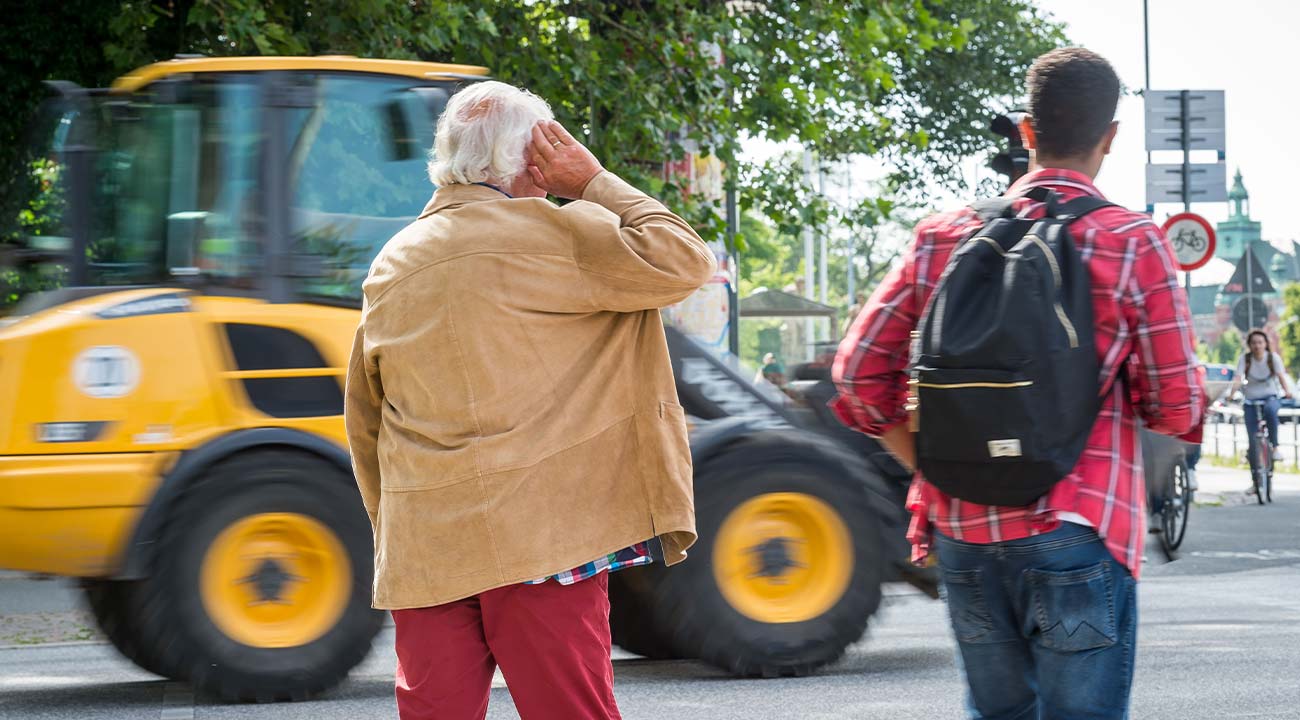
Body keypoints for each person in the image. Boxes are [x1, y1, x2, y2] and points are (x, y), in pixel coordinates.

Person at [832, 48, 1205, 719]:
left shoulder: (945, 235)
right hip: (1078, 527)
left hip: (964, 532)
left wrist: (935, 467)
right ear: (1110, 137)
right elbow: (1178, 404)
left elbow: (858, 376)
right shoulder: (1131, 242)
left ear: (1026, 131)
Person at [344, 80, 715, 719]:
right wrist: (594, 179)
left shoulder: (391, 264)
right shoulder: (561, 236)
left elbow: (366, 422)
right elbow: (684, 260)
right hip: (544, 542)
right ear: (529, 157)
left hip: (426, 548)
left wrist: (397, 532)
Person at [1230, 328, 1294, 469]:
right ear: (1250, 345)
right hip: (1250, 400)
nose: (1257, 346)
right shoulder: (1245, 359)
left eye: (1260, 342)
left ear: (1265, 343)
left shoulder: (1272, 358)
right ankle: (1256, 481)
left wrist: (1287, 391)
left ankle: (1275, 447)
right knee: (1253, 442)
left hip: (1270, 397)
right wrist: (1231, 393)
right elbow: (1238, 378)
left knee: (1271, 412)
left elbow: (1281, 376)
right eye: (1253, 343)